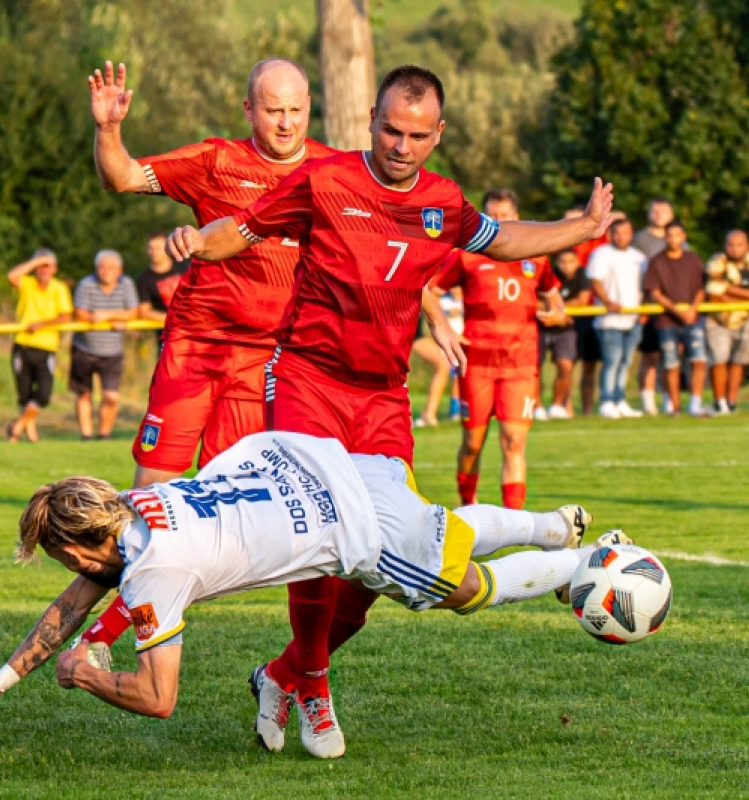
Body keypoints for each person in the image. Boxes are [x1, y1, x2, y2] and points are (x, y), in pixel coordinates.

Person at [166, 64, 614, 755]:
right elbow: (245, 229)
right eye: (389, 130)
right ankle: (312, 682)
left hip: (382, 398)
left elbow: (505, 239)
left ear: (438, 134)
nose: (400, 146)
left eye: (415, 135)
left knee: (380, 552)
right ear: (370, 118)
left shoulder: (443, 200)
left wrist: (581, 226)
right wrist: (199, 241)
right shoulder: (326, 179)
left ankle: (284, 674)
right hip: (309, 380)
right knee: (322, 534)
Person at [0, 430, 610, 748]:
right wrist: (2, 679)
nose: (68, 577)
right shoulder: (134, 503)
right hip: (336, 464)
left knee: (464, 589)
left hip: (356, 526)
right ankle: (551, 529)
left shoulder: (155, 571)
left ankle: (589, 566)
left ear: (72, 549)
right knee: (441, 531)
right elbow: (78, 600)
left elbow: (158, 698)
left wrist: (82, 676)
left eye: (58, 559)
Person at [76, 58, 336, 676]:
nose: (286, 122)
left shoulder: (331, 172)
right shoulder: (214, 161)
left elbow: (384, 235)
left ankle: (294, 673)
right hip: (195, 350)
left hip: (266, 365)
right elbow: (118, 177)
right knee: (147, 503)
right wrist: (109, 130)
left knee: (244, 521)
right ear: (249, 109)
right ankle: (116, 630)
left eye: (297, 110)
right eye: (273, 109)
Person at [429, 188, 563, 507]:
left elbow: (553, 293)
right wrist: (446, 325)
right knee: (473, 443)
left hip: (521, 363)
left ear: (517, 217)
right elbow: (430, 291)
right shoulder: (467, 255)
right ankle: (468, 506)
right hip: (477, 362)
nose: (498, 221)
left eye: (504, 215)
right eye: (492, 215)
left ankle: (513, 520)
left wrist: (557, 311)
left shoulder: (537, 255)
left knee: (514, 441)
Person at [70, 249, 138, 440]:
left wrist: (105, 316)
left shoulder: (126, 284)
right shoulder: (86, 284)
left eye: (110, 267)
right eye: (101, 267)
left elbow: (133, 312)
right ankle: (86, 435)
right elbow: (81, 313)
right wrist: (115, 316)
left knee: (111, 396)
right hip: (84, 348)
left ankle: (104, 434)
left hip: (112, 350)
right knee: (84, 394)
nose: (105, 271)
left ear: (119, 270)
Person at [7, 250, 73, 443]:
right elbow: (12, 276)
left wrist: (41, 324)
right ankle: (30, 435)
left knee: (43, 394)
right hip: (23, 344)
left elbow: (66, 316)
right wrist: (36, 261)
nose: (43, 270)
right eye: (40, 266)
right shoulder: (27, 283)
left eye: (47, 265)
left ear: (54, 269)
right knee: (24, 393)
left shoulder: (59, 288)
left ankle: (17, 426)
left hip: (46, 346)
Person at [642, 221, 706, 416]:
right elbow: (655, 293)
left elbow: (701, 288)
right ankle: (674, 406)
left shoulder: (694, 259)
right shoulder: (657, 262)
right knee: (670, 363)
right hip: (666, 321)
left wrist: (692, 310)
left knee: (698, 360)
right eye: (669, 235)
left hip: (693, 319)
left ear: (684, 236)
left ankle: (695, 404)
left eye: (677, 234)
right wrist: (679, 312)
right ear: (665, 237)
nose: (673, 239)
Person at [586, 217, 646, 418]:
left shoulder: (639, 257)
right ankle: (606, 401)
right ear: (610, 234)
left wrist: (643, 310)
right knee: (612, 361)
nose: (621, 237)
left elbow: (643, 286)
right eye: (617, 232)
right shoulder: (601, 254)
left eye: (626, 232)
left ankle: (620, 400)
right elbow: (596, 281)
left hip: (633, 319)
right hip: (609, 320)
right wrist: (608, 302)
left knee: (625, 363)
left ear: (632, 234)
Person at [632, 197, 677, 415]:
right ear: (649, 213)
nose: (659, 215)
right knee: (649, 355)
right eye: (655, 211)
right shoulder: (640, 239)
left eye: (664, 211)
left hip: (671, 307)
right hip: (649, 306)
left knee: (670, 354)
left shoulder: (677, 238)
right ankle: (647, 400)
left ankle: (669, 398)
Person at [540, 248, 593, 418]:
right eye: (562, 262)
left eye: (570, 262)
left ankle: (557, 405)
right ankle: (537, 407)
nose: (566, 266)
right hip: (542, 325)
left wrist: (559, 312)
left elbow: (582, 301)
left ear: (577, 262)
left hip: (565, 328)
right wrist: (558, 313)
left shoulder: (582, 275)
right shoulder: (548, 275)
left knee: (566, 366)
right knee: (534, 369)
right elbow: (535, 301)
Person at [703, 230, 749, 414]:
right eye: (731, 244)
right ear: (725, 245)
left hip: (744, 320)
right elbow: (715, 294)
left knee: (739, 361)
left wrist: (730, 290)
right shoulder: (718, 261)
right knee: (719, 360)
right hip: (719, 321)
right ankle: (718, 402)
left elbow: (724, 291)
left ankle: (730, 403)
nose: (735, 249)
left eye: (739, 244)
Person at [135, 232, 188, 350]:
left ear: (167, 248)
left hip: (193, 330)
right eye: (151, 248)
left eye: (158, 248)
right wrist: (172, 318)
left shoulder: (183, 267)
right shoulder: (144, 279)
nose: (154, 252)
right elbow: (144, 312)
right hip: (168, 335)